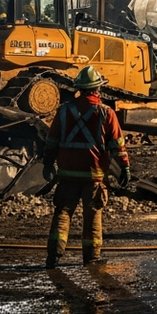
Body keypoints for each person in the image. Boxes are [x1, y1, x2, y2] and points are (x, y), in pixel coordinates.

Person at [42, 66, 130, 269]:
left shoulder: (64, 111)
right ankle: (91, 258)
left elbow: (52, 140)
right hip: (94, 176)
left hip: (67, 173)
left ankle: (53, 257)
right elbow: (117, 144)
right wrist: (124, 167)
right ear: (98, 89)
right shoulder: (106, 113)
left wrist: (48, 163)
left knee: (62, 212)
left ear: (79, 88)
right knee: (93, 215)